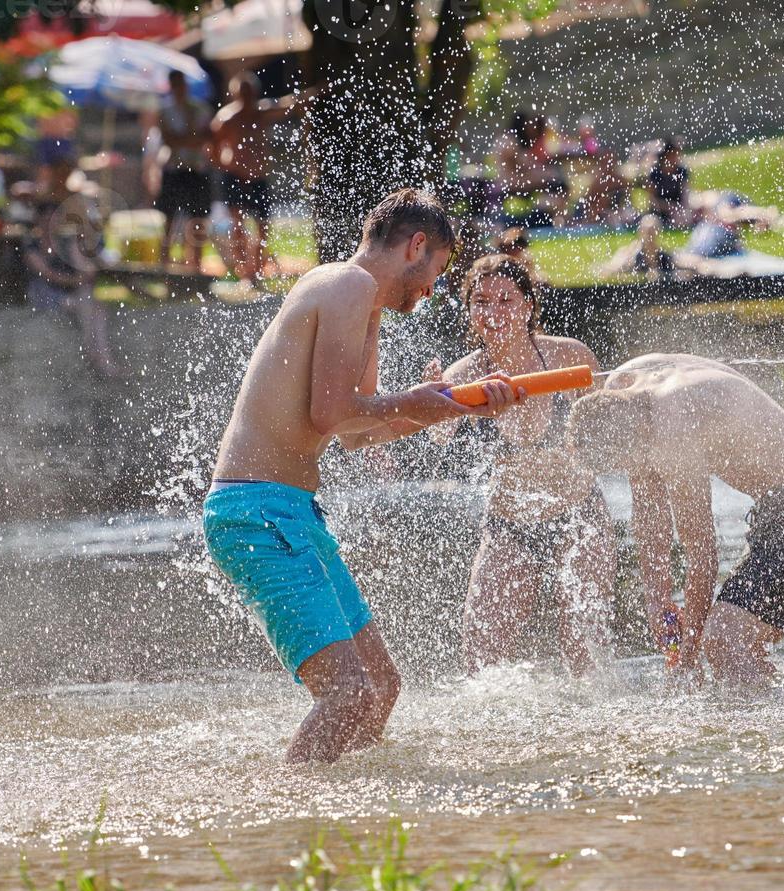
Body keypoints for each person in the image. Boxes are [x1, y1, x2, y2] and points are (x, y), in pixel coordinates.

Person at [203, 188, 522, 763]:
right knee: (350, 692)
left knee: (381, 689)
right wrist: (418, 401)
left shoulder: (364, 304)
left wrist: (451, 408)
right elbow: (333, 412)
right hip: (256, 511)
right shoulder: (344, 284)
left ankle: (358, 803)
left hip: (288, 511)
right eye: (437, 273)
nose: (431, 292)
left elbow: (354, 433)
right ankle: (288, 808)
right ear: (416, 246)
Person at [567, 354, 784, 684]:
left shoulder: (676, 431)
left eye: (627, 464)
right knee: (737, 641)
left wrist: (687, 659)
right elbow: (650, 518)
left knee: (723, 640)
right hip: (782, 507)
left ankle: (762, 728)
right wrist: (658, 601)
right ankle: (777, 707)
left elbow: (702, 555)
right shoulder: (624, 385)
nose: (634, 473)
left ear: (640, 438)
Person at [422, 255, 614, 675]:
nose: (493, 312)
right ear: (469, 311)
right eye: (482, 301)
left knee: (584, 655)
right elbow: (437, 437)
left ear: (528, 306)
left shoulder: (569, 357)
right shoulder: (464, 375)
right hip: (510, 525)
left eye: (506, 300)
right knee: (480, 654)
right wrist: (435, 399)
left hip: (579, 519)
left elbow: (608, 436)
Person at [23, 149, 126, 378]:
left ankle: (100, 358)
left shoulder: (65, 241)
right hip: (47, 294)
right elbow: (49, 275)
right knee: (88, 306)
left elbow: (83, 266)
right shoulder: (32, 246)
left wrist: (83, 274)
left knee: (92, 304)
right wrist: (77, 279)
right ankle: (100, 361)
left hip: (69, 293)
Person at [212, 73, 301, 282]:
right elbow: (214, 148)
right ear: (235, 94)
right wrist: (227, 164)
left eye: (250, 92)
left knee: (262, 225)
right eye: (243, 93)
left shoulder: (261, 112)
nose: (247, 97)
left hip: (258, 176)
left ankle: (258, 268)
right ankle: (245, 271)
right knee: (238, 226)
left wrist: (316, 93)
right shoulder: (227, 118)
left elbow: (288, 104)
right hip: (235, 176)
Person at [157, 69, 214, 271]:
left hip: (196, 169)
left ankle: (195, 265)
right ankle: (165, 265)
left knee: (198, 218)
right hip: (175, 169)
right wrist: (191, 139)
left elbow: (206, 139)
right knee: (169, 219)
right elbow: (169, 140)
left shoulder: (199, 109)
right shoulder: (165, 110)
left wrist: (185, 139)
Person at [644, 137, 691, 229]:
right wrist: (670, 207)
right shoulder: (655, 173)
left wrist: (683, 209)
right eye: (674, 154)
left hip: (678, 209)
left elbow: (685, 193)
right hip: (660, 212)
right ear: (666, 155)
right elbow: (652, 200)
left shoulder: (681, 171)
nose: (677, 157)